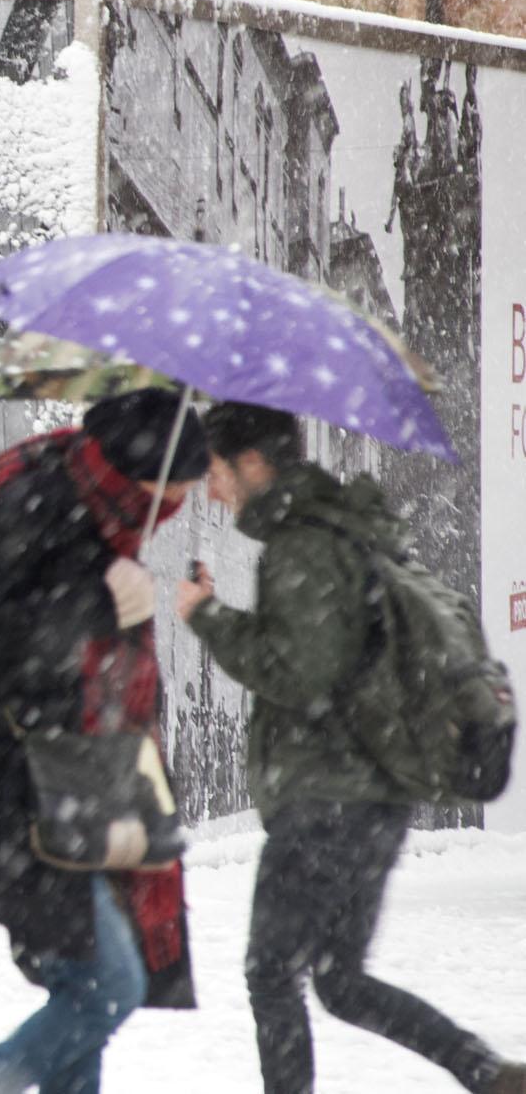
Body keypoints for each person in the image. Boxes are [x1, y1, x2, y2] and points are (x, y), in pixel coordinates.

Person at [177, 402, 526, 1094]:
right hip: (373, 794)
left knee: (270, 970)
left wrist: (206, 617)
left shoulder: (300, 543)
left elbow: (304, 672)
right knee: (338, 979)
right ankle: (486, 1073)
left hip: (325, 796)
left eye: (214, 472)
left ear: (252, 464)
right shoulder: (347, 529)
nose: (209, 490)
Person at [0, 388, 204, 1093]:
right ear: (139, 472)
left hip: (88, 792)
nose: (181, 501)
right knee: (107, 983)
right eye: (176, 486)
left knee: (84, 1013)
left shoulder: (101, 520)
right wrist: (99, 600)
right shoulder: (42, 498)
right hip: (23, 791)